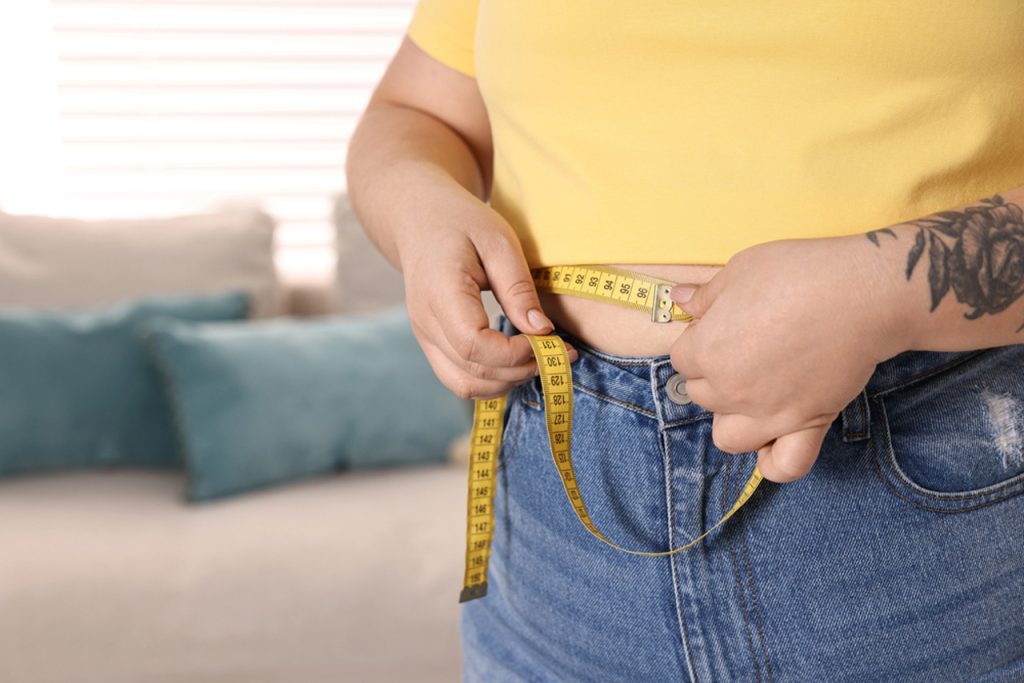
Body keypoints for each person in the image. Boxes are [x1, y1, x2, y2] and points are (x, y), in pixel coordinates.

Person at [345, 1, 1024, 679]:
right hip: (551, 544)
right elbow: (416, 113)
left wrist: (886, 290)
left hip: (943, 517)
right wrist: (419, 208)